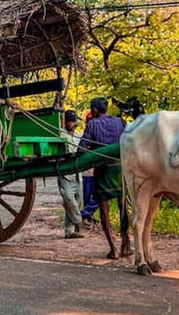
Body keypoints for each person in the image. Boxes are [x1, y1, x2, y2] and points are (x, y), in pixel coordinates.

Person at [78, 97, 131, 259]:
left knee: (104, 210)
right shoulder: (120, 122)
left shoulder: (92, 124)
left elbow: (81, 149)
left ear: (94, 110)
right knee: (124, 208)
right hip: (121, 170)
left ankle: (114, 249)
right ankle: (126, 245)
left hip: (103, 171)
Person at [58, 110, 84, 239]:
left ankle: (69, 231)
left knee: (78, 200)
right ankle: (78, 220)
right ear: (65, 122)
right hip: (65, 172)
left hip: (77, 173)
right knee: (68, 198)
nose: (74, 124)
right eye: (71, 121)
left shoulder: (79, 136)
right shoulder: (60, 134)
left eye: (75, 121)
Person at [80, 111, 99, 227]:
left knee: (95, 195)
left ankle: (86, 215)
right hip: (88, 171)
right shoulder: (87, 134)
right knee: (88, 197)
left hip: (95, 170)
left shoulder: (95, 132)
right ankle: (85, 216)